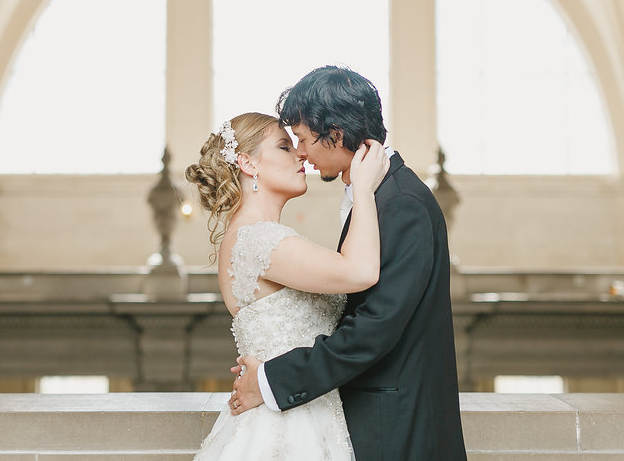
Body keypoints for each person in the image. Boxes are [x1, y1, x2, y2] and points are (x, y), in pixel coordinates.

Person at [229, 66, 468, 460]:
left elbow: (373, 328)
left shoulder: (402, 203)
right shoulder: (382, 193)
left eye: (302, 139)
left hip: (395, 428)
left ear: (335, 133)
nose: (301, 152)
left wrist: (271, 380)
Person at [185, 111, 390, 460]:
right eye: (284, 146)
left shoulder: (251, 235)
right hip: (288, 426)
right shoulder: (259, 239)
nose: (300, 155)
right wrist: (364, 188)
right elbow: (360, 271)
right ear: (248, 163)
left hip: (296, 409)